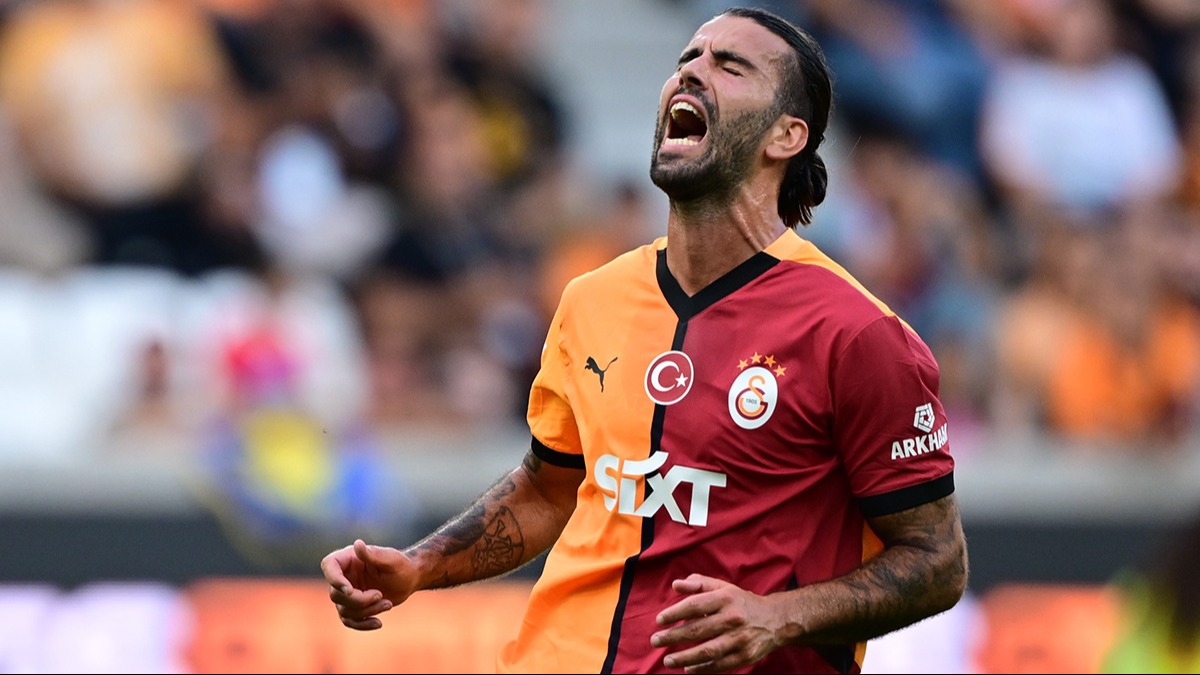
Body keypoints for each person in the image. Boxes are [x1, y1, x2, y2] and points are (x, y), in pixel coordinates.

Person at [321, 7, 968, 673]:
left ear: (786, 135)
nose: (692, 72)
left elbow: (936, 560)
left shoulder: (856, 333)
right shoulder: (591, 298)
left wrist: (779, 615)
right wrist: (419, 565)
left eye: (729, 66)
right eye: (687, 59)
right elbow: (548, 490)